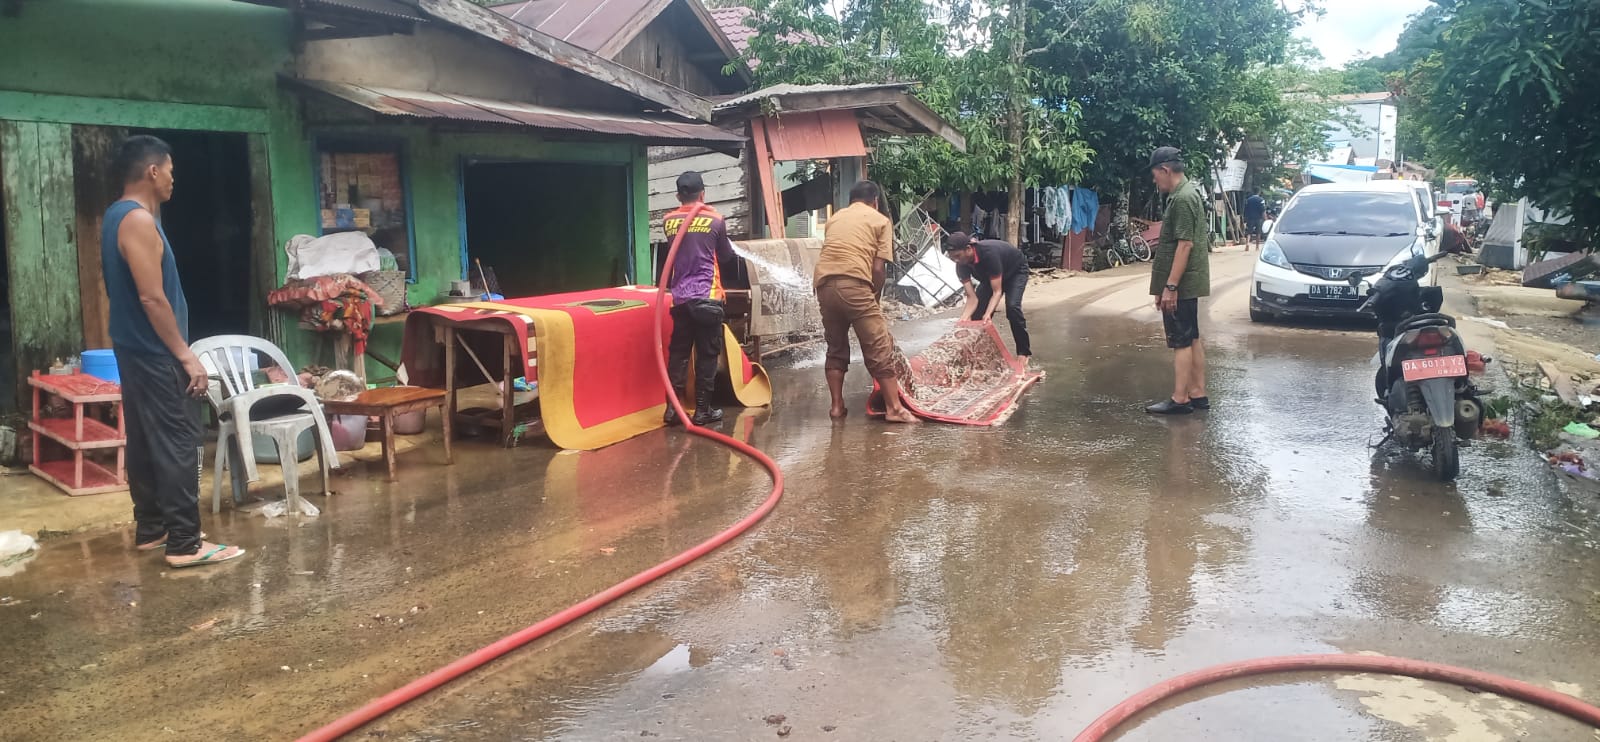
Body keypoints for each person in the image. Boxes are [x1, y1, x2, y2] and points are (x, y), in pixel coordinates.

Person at [103, 135, 245, 567]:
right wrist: (185, 355)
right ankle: (185, 543)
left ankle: (153, 529)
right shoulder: (138, 222)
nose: (172, 179)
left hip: (135, 350)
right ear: (152, 171)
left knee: (146, 442)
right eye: (169, 170)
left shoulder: (116, 216)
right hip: (155, 353)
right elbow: (152, 298)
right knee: (180, 442)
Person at [813, 180, 915, 423]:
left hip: (824, 285)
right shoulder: (880, 220)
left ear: (851, 200)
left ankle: (837, 407)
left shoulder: (835, 218)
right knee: (879, 347)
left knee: (836, 347)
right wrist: (874, 298)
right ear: (875, 201)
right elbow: (878, 269)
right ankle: (894, 409)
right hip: (855, 284)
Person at [661, 171, 736, 427]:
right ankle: (702, 410)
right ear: (703, 193)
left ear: (678, 195)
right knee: (706, 355)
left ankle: (673, 409)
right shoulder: (715, 219)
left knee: (679, 354)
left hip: (680, 298)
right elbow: (725, 256)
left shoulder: (668, 220)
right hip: (707, 297)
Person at [1145, 146, 1211, 415]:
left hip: (1182, 283)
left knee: (1181, 340)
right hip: (1186, 282)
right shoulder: (1185, 194)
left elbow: (1184, 246)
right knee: (1192, 337)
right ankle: (1198, 392)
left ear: (1165, 170)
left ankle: (1180, 398)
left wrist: (1171, 286)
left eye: (1155, 175)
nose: (1154, 181)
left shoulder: (1183, 199)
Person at [943, 232, 1032, 363]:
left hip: (1015, 272)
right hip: (989, 277)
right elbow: (972, 298)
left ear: (968, 249)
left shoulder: (989, 254)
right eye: (952, 258)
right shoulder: (960, 265)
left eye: (957, 256)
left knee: (1012, 308)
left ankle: (1023, 353)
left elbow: (997, 292)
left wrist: (988, 314)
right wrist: (963, 319)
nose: (956, 260)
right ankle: (979, 354)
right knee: (977, 315)